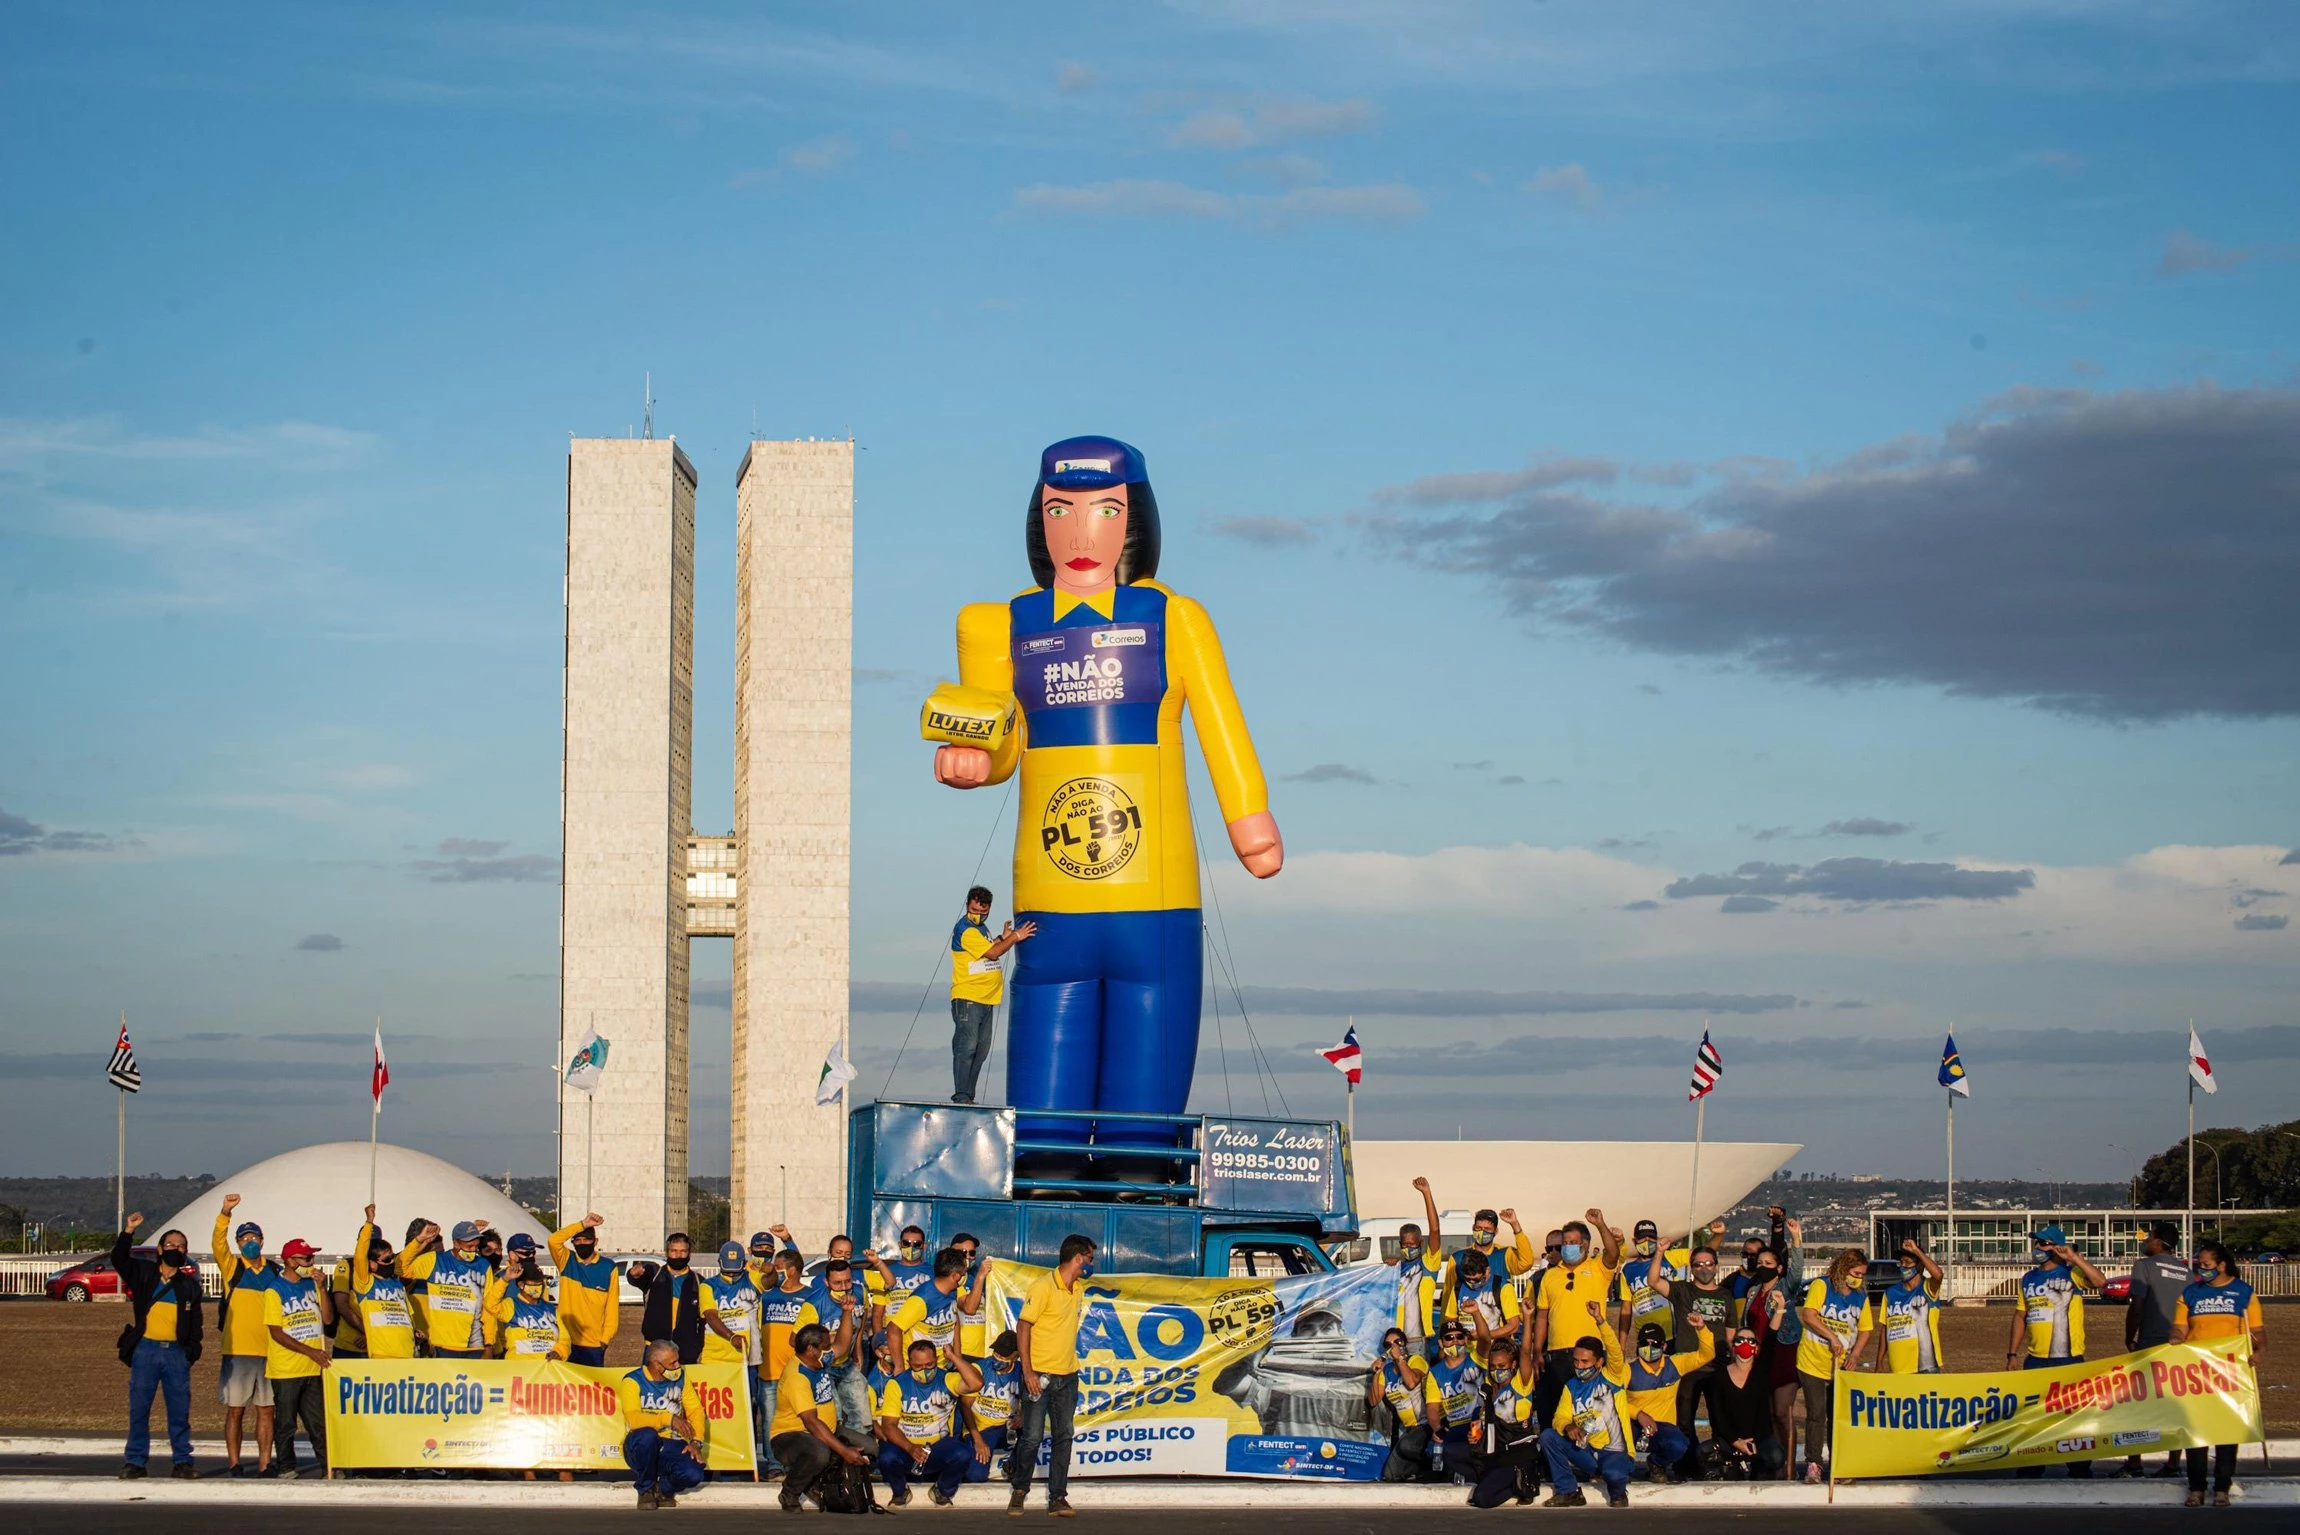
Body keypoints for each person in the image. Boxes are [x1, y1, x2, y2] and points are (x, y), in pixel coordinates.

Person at [931, 437, 1282, 1160]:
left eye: (1105, 510)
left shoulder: (1173, 620)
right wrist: (974, 758)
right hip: (1051, 906)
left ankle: (1133, 1189)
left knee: (1139, 1129)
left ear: (1134, 521)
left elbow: (1222, 723)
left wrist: (1248, 814)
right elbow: (1000, 738)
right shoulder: (1001, 626)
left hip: (1155, 897)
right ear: (1040, 521)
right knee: (1045, 1123)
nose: (1081, 533)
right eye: (1061, 510)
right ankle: (1047, 1186)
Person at [2008, 1224, 2106, 1481]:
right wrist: (2012, 1354)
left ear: (2056, 1247)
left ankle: (2079, 1467)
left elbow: (2100, 1282)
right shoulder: (2028, 1278)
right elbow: (2021, 1316)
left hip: (2068, 1358)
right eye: (2036, 1244)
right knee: (2032, 1418)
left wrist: (2074, 1258)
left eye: (2043, 1244)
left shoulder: (2071, 1273)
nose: (2037, 1249)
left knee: (2073, 1417)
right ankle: (2031, 1465)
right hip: (2035, 1359)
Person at [2171, 1239, 2264, 1508]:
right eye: (2200, 1265)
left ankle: (2222, 1486)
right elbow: (2179, 1327)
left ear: (2221, 1265)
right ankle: (2197, 1487)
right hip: (2196, 1374)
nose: (2203, 1269)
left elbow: (2257, 1331)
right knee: (2196, 1432)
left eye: (2207, 1265)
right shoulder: (2190, 1293)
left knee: (2226, 1431)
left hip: (2230, 1373)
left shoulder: (2243, 1292)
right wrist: (2176, 1338)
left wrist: (2259, 1350)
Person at [1009, 1232, 1094, 1517]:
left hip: (1068, 1375)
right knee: (1031, 1437)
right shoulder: (1043, 1286)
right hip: (1040, 1375)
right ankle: (1019, 1490)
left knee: (1064, 1436)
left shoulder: (1078, 1289)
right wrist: (1028, 1371)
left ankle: (1058, 1497)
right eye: (1090, 1259)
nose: (1091, 1265)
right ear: (1078, 1257)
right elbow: (1023, 1326)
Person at [113, 1212, 202, 1481]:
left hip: (175, 1353)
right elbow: (118, 1259)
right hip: (146, 1351)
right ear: (160, 1249)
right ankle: (135, 1461)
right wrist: (129, 1231)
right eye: (171, 1245)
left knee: (179, 1411)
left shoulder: (188, 1285)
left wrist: (190, 1352)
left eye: (181, 1246)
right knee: (139, 1408)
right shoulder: (144, 1274)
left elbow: (196, 1323)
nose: (176, 1249)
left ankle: (182, 1461)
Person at [1540, 1298, 1635, 1508]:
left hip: (1615, 1451)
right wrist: (1567, 1426)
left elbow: (1614, 1348)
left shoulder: (1612, 1376)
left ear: (1599, 1362)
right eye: (1576, 1361)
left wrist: (1600, 1319)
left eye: (1585, 1362)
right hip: (1587, 1452)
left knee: (1614, 1473)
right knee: (1548, 1436)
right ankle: (1568, 1491)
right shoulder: (1571, 1386)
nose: (1579, 1366)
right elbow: (1560, 1417)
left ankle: (1619, 1491)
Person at [1532, 1207, 1622, 1429]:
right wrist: (1537, 1351)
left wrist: (1600, 1224)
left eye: (1573, 1242)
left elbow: (1613, 1254)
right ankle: (1551, 1459)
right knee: (1552, 1412)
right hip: (1557, 1355)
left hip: (1588, 1355)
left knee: (1589, 1413)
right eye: (1565, 1242)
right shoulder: (1549, 1276)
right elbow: (1542, 1317)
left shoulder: (1598, 1268)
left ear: (1585, 1245)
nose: (1567, 1246)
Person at [209, 1192, 277, 1477]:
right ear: (238, 1244)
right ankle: (235, 1463)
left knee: (266, 1411)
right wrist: (225, 1212)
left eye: (254, 1238)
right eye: (244, 1239)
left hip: (271, 1351)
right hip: (238, 1351)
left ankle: (264, 1463)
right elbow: (217, 1243)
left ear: (262, 1241)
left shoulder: (274, 1271)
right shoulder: (232, 1267)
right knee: (235, 1410)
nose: (250, 1243)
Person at [771, 1321, 872, 1512]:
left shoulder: (817, 1359)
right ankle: (790, 1492)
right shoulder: (797, 1376)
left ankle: (817, 1482)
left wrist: (847, 1312)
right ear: (811, 1349)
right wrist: (843, 1451)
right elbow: (811, 1422)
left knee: (871, 1448)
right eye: (826, 1347)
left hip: (827, 1429)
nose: (830, 1350)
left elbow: (842, 1346)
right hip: (791, 1436)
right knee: (819, 1453)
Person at [950, 885, 1037, 1104]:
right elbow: (993, 953)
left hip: (987, 998)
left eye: (982, 911)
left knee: (981, 1050)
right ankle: (961, 1096)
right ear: (967, 905)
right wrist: (1016, 936)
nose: (978, 914)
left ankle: (969, 1096)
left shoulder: (982, 929)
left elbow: (989, 946)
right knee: (966, 1046)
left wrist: (1002, 937)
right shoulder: (966, 929)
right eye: (974, 909)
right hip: (968, 997)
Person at [1794, 1248, 1873, 1484]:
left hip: (1841, 1366)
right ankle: (1814, 1463)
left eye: (1861, 1274)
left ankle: (1839, 1463)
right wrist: (1831, 1336)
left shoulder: (1860, 1296)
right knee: (1816, 1413)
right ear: (1843, 1268)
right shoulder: (1822, 1286)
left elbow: (1866, 1329)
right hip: (1812, 1361)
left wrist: (1855, 1354)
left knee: (1837, 1416)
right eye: (1855, 1273)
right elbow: (1809, 1315)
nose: (1858, 1278)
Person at [877, 1339, 987, 1507]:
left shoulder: (948, 1379)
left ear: (936, 1360)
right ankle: (900, 1491)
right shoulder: (897, 1384)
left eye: (929, 1364)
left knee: (962, 1454)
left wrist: (953, 1356)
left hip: (936, 1447)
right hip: (906, 1447)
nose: (925, 1370)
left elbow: (977, 1383)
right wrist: (910, 1447)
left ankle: (942, 1490)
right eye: (918, 1366)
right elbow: (889, 1425)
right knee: (886, 1456)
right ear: (909, 1363)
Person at [2124, 1222, 2191, 1479]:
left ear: (2159, 1241)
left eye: (2149, 1237)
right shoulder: (2185, 1272)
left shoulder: (2144, 1266)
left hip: (2150, 1342)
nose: (2145, 1241)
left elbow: (2137, 1305)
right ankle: (2173, 1463)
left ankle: (2134, 1463)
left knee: (2138, 1404)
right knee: (2174, 1405)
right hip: (2179, 1344)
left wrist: (2130, 1337)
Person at [1652, 1226, 1733, 1435]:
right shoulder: (1682, 1290)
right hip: (1688, 1364)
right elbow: (1653, 1281)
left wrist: (1733, 1363)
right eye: (1697, 1265)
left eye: (1708, 1264)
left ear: (1716, 1267)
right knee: (1685, 1417)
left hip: (1718, 1364)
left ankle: (1721, 1459)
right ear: (1691, 1268)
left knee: (1721, 1416)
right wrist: (1659, 1253)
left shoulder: (1725, 1295)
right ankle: (1687, 1462)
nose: (1703, 1269)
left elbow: (1731, 1332)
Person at [263, 1238, 333, 1479]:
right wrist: (310, 1351)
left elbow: (327, 1319)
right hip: (286, 1369)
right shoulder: (275, 1290)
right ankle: (286, 1467)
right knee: (286, 1423)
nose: (310, 1262)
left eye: (311, 1258)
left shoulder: (311, 1285)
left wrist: (323, 1289)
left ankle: (329, 1467)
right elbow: (276, 1332)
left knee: (318, 1423)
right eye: (306, 1258)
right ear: (290, 1261)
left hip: (313, 1368)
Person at [619, 1339, 711, 1510]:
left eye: (678, 1361)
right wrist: (667, 1419)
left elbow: (696, 1410)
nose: (678, 1366)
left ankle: (663, 1490)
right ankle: (645, 1489)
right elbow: (633, 1419)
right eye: (673, 1363)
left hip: (671, 1443)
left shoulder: (681, 1378)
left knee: (694, 1473)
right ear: (656, 1365)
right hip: (639, 1446)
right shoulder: (633, 1380)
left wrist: (696, 1441)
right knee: (647, 1436)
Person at [1623, 1319, 1715, 1483]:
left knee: (1679, 1445)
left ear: (1664, 1346)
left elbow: (1706, 1354)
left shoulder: (1675, 1364)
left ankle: (1656, 1464)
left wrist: (1701, 1329)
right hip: (1633, 1425)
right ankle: (1621, 1468)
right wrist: (1638, 1414)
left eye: (1655, 1343)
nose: (1649, 1347)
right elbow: (1614, 1398)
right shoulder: (1628, 1370)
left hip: (1662, 1429)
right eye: (1644, 1343)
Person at [1469, 1311, 1543, 1507]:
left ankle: (1515, 1483)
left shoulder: (1521, 1383)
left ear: (1513, 1365)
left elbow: (1526, 1351)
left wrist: (1527, 1318)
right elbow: (1485, 1340)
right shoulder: (1489, 1384)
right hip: (1494, 1451)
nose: (1497, 1371)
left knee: (1482, 1499)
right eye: (1493, 1366)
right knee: (1452, 1453)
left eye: (1502, 1366)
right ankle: (1492, 1479)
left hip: (1516, 1455)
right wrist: (1476, 1313)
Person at [398, 1218, 498, 1359]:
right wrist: (419, 1241)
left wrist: (489, 1344)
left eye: (476, 1246)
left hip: (474, 1345)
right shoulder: (435, 1260)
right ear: (456, 1243)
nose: (473, 1250)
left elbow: (488, 1308)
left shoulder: (483, 1265)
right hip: (441, 1346)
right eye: (469, 1246)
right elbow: (401, 1269)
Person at [755, 1245, 812, 1474]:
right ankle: (774, 1464)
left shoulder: (809, 1296)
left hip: (798, 1373)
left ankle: (800, 1460)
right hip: (768, 1371)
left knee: (802, 1418)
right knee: (769, 1419)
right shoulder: (766, 1296)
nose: (772, 1273)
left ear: (791, 1271)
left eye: (777, 1269)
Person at [1707, 1322, 1785, 1481]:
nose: (1745, 1343)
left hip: (1758, 1440)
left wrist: (1779, 1309)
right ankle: (1731, 1467)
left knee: (1776, 1456)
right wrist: (1735, 1441)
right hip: (1730, 1440)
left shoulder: (1761, 1371)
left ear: (1756, 1348)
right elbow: (1717, 1414)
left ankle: (1759, 1468)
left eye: (1751, 1341)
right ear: (1733, 1345)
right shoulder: (1719, 1376)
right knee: (1702, 1453)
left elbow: (1770, 1338)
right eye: (1740, 1339)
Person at [546, 1211, 622, 1366]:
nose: (581, 1243)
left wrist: (605, 1340)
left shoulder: (608, 1267)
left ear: (595, 1242)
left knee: (590, 1389)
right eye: (577, 1240)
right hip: (565, 1341)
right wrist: (582, 1224)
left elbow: (612, 1308)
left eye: (586, 1239)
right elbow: (553, 1241)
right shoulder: (567, 1260)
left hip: (594, 1345)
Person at [346, 1207, 417, 1361]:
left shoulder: (396, 1284)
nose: (392, 1262)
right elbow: (359, 1257)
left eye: (392, 1257)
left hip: (408, 1354)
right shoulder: (365, 1283)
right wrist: (369, 1222)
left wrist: (420, 1240)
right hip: (382, 1356)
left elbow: (408, 1316)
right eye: (386, 1260)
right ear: (371, 1264)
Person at [627, 1232, 708, 1364]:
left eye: (683, 1251)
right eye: (674, 1251)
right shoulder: (654, 1275)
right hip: (655, 1348)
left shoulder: (699, 1282)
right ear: (666, 1253)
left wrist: (697, 1347)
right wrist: (634, 1273)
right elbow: (635, 1278)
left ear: (689, 1254)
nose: (678, 1255)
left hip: (686, 1352)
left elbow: (704, 1320)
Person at [1871, 1238, 1946, 1375]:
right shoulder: (1891, 1292)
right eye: (1901, 1263)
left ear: (1919, 1266)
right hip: (1898, 1366)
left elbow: (1938, 1275)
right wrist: (1879, 1362)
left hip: (1925, 1365)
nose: (1903, 1266)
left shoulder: (1928, 1288)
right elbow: (1885, 1328)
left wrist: (1917, 1251)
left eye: (1907, 1263)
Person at [1367, 1327, 1432, 1482]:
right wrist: (1376, 1374)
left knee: (1407, 1446)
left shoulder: (1415, 1360)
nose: (1394, 1347)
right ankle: (1414, 1470)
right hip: (1407, 1429)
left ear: (1405, 1344)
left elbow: (1411, 1382)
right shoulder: (1387, 1370)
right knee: (1390, 1475)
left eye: (1398, 1342)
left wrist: (1400, 1360)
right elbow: (1373, 1400)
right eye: (1389, 1345)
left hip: (1425, 1424)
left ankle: (1428, 1463)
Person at [1394, 1178, 1447, 1361]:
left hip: (1420, 1340)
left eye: (1412, 1244)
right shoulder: (1396, 1269)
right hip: (1398, 1339)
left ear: (1420, 1243)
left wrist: (1426, 1193)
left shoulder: (1428, 1264)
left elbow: (1435, 1230)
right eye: (1404, 1244)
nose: (1408, 1248)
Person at [887, 1246, 969, 1363]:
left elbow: (954, 1320)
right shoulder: (922, 1299)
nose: (965, 1276)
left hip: (941, 1364)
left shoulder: (953, 1290)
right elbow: (893, 1329)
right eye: (964, 1273)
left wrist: (958, 1357)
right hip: (917, 1366)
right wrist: (899, 1367)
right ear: (955, 1276)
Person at [963, 1329, 1024, 1483]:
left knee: (1033, 1425)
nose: (997, 1358)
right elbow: (965, 1406)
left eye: (1003, 1356)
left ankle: (1014, 1464)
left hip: (1007, 1428)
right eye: (996, 1353)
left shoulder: (1022, 1372)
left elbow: (1034, 1400)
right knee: (975, 1476)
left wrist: (1023, 1415)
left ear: (1016, 1355)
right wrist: (977, 1439)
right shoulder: (979, 1368)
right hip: (982, 1429)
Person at [1444, 1248, 1520, 1367]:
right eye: (1468, 1279)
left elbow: (1513, 1326)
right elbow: (1450, 1318)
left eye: (1476, 1279)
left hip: (1494, 1355)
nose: (1472, 1283)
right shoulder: (1458, 1287)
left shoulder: (1502, 1287)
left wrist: (1484, 1335)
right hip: (1467, 1355)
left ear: (1487, 1271)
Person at [1615, 1219, 1684, 1347]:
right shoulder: (1628, 1270)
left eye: (1651, 1238)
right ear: (1634, 1241)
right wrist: (1622, 1345)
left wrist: (1717, 1235)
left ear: (1657, 1239)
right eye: (1642, 1239)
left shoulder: (1669, 1257)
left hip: (1676, 1334)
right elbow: (1626, 1309)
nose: (1647, 1242)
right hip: (1646, 1338)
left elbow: (1702, 1256)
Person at [499, 1249, 567, 1359]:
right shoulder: (510, 1305)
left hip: (547, 1368)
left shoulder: (550, 1308)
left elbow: (564, 1337)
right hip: (520, 1369)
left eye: (541, 1282)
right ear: (521, 1285)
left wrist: (559, 1352)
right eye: (535, 1283)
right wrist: (505, 1280)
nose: (539, 1286)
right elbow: (490, 1305)